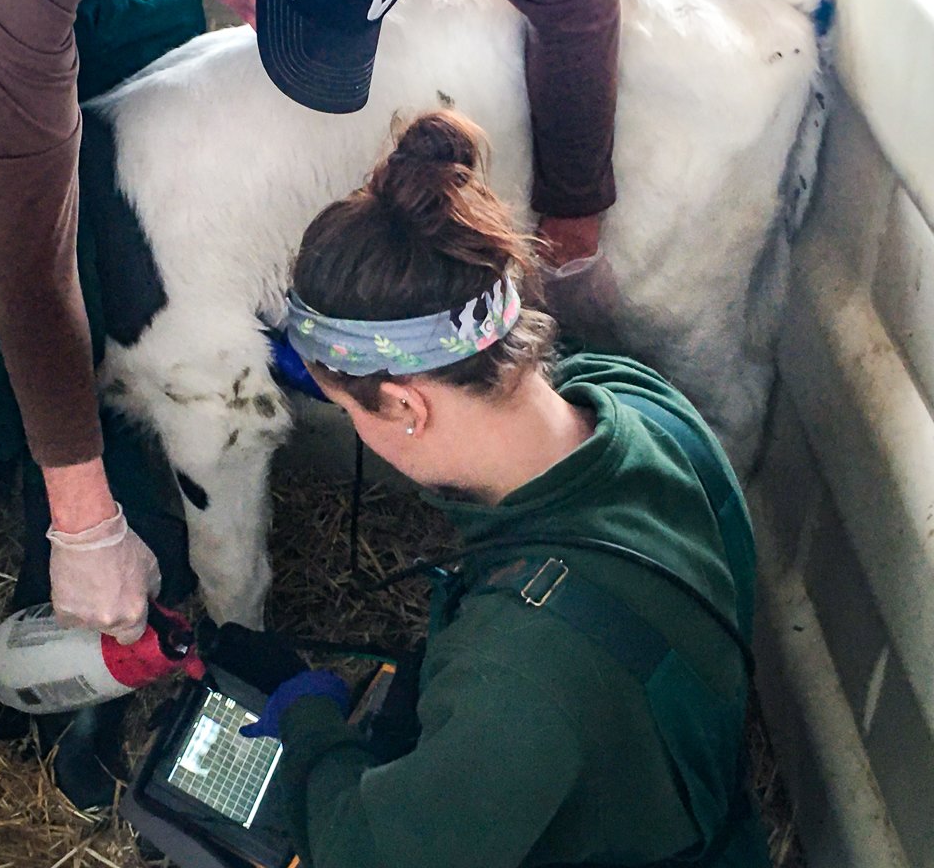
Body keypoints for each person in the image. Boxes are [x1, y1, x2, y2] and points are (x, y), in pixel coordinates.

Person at [0, 0, 619, 807]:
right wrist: (82, 518)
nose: (263, 27)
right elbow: (26, 234)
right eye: (268, 0)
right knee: (7, 256)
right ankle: (73, 585)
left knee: (133, 232)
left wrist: (576, 192)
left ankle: (172, 586)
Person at [227, 110, 768, 867]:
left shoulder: (516, 668)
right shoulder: (635, 398)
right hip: (690, 792)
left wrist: (312, 721)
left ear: (407, 405)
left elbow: (367, 853)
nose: (355, 425)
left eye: (350, 409)